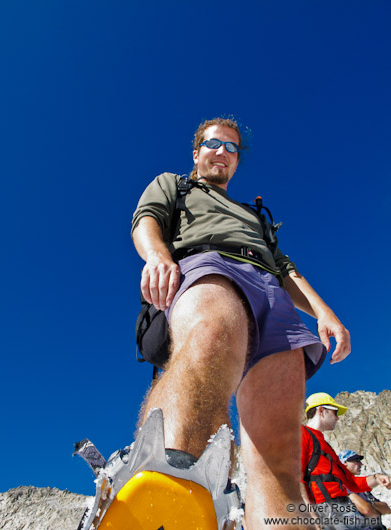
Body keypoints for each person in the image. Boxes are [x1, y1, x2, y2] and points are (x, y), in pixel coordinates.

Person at [132, 117, 351, 529]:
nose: (223, 153)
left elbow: (285, 268)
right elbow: (146, 218)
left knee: (280, 452)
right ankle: (160, 498)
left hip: (270, 289)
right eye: (214, 144)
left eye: (232, 148)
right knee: (212, 334)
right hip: (206, 262)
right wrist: (157, 255)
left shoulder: (255, 216)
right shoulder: (174, 185)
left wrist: (325, 312)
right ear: (196, 153)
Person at [301, 392, 391, 530]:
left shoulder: (325, 446)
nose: (337, 418)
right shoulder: (303, 434)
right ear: (321, 410)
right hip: (327, 511)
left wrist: (377, 478)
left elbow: (351, 482)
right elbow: (296, 478)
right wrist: (310, 515)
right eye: (335, 412)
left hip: (346, 510)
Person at [339, 450, 391, 530]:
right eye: (356, 461)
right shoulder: (338, 488)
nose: (360, 464)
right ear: (345, 463)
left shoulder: (360, 487)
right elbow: (367, 511)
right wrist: (373, 508)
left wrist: (371, 505)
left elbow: (386, 509)